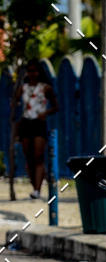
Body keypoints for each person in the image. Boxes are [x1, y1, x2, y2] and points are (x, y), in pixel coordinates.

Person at [13, 60, 58, 199]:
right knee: (28, 157)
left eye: (35, 71)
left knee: (38, 156)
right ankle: (34, 186)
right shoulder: (23, 88)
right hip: (26, 123)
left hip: (39, 123)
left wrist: (45, 113)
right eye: (30, 71)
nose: (32, 73)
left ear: (39, 72)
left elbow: (56, 106)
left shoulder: (45, 88)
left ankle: (37, 189)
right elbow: (14, 104)